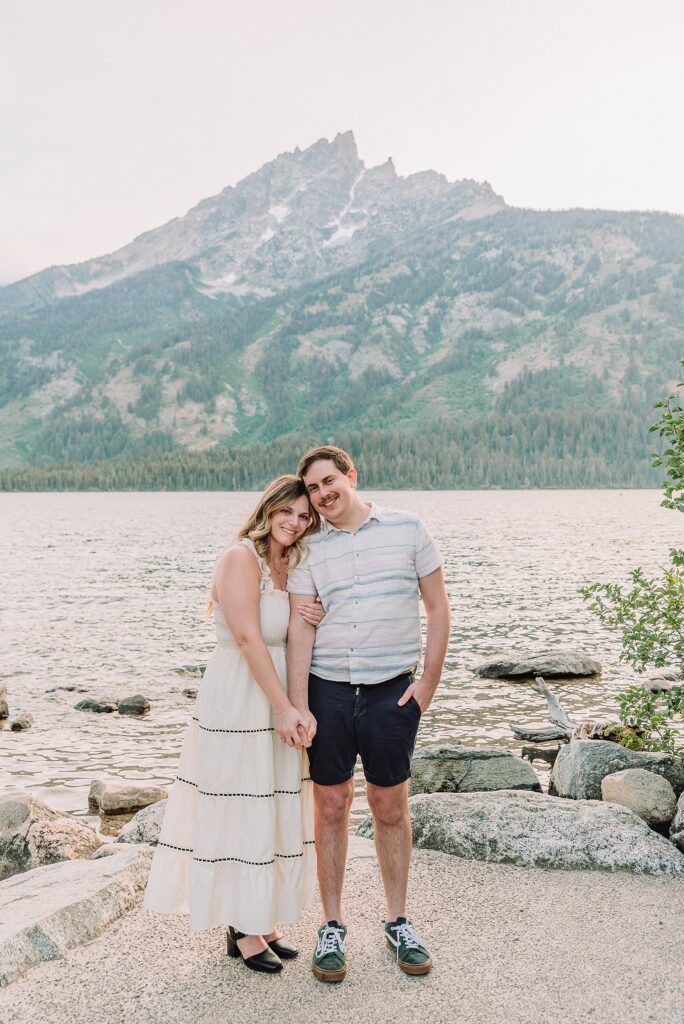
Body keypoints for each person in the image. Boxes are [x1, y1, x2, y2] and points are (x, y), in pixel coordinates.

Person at [144, 476, 324, 974]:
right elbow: (248, 638)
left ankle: (261, 917)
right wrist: (283, 708)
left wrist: (314, 612)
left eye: (305, 516)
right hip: (242, 697)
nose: (295, 522)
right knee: (241, 804)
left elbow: (291, 633)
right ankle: (240, 929)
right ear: (268, 508)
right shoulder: (239, 558)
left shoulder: (292, 563)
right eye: (288, 511)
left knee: (273, 803)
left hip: (278, 691)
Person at [286, 446, 451, 981]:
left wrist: (427, 683)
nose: (322, 495)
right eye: (312, 488)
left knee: (389, 808)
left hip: (392, 695)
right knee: (330, 805)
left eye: (329, 482)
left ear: (351, 477)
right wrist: (297, 704)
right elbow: (300, 628)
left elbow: (438, 606)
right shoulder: (309, 548)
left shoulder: (407, 528)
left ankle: (398, 921)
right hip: (327, 692)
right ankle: (331, 925)